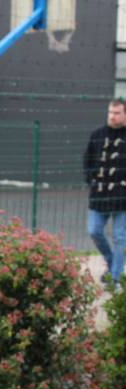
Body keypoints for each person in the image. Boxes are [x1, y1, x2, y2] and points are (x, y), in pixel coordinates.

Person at [84, 99, 126, 288]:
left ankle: (115, 278)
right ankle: (111, 263)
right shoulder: (97, 135)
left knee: (120, 237)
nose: (112, 116)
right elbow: (87, 161)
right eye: (110, 112)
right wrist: (91, 180)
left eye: (117, 113)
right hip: (99, 196)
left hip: (123, 197)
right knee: (94, 230)